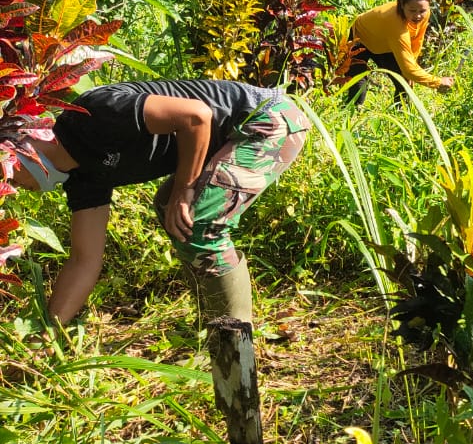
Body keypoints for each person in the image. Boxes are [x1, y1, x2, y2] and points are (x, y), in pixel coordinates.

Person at [12, 79, 310, 326]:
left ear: (19, 148)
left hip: (265, 119)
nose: (12, 186)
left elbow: (196, 116)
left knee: (199, 221)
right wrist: (47, 334)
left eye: (7, 175)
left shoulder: (92, 115)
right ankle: (213, 328)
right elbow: (84, 260)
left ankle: (234, 345)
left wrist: (185, 189)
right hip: (229, 136)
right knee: (173, 209)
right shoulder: (83, 178)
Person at [347, 0, 455, 105]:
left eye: (422, 11)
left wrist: (412, 68)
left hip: (384, 42)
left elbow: (416, 42)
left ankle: (400, 117)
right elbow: (408, 69)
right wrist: (437, 82)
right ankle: (350, 116)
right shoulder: (395, 24)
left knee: (405, 85)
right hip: (358, 39)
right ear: (402, 5)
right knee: (358, 88)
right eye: (412, 10)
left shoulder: (424, 14)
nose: (418, 15)